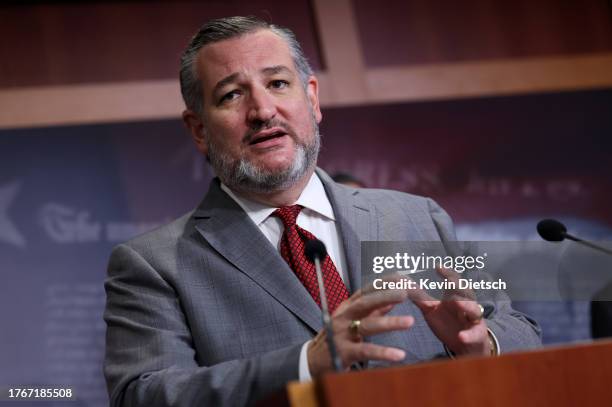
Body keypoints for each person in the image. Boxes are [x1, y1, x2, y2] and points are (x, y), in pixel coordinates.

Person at [103, 16, 541, 407]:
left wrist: (480, 345)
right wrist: (303, 365)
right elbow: (143, 395)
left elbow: (518, 328)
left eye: (277, 84)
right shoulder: (154, 264)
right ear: (199, 129)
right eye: (233, 95)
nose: (262, 110)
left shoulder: (416, 217)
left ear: (311, 99)